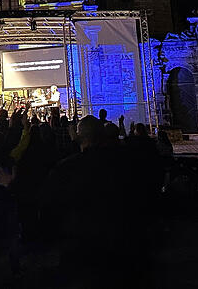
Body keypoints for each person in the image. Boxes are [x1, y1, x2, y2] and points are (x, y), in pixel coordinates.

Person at [41, 116, 159, 288]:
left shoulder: (66, 169)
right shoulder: (130, 162)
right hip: (127, 246)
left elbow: (50, 209)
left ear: (78, 136)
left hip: (84, 250)